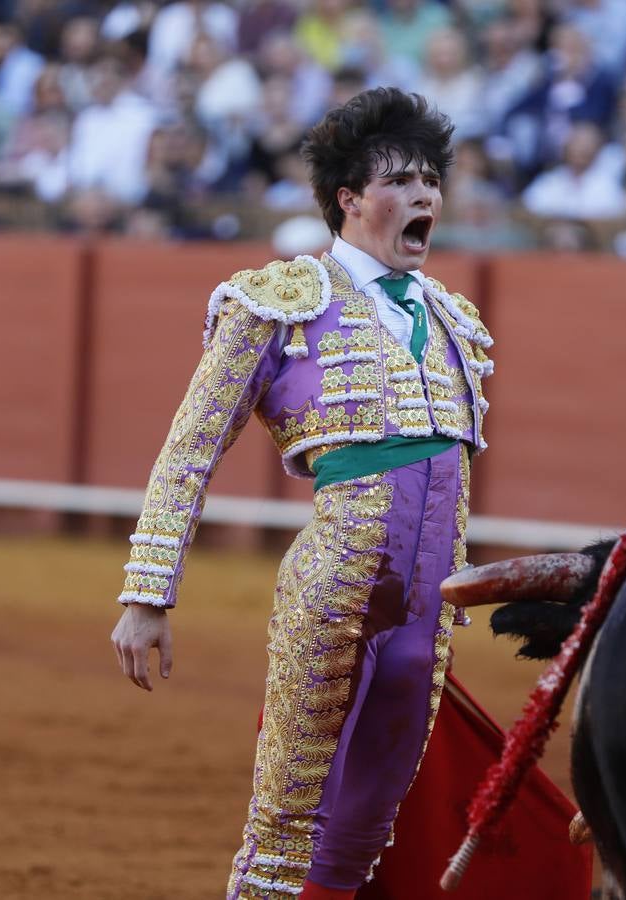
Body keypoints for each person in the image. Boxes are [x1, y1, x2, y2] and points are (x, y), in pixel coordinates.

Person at [109, 87, 492, 900]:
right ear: (349, 199)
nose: (424, 193)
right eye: (400, 180)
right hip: (334, 594)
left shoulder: (455, 319)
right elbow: (190, 449)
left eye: (431, 177)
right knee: (285, 826)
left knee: (365, 831)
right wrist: (148, 593)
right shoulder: (280, 302)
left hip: (426, 614)